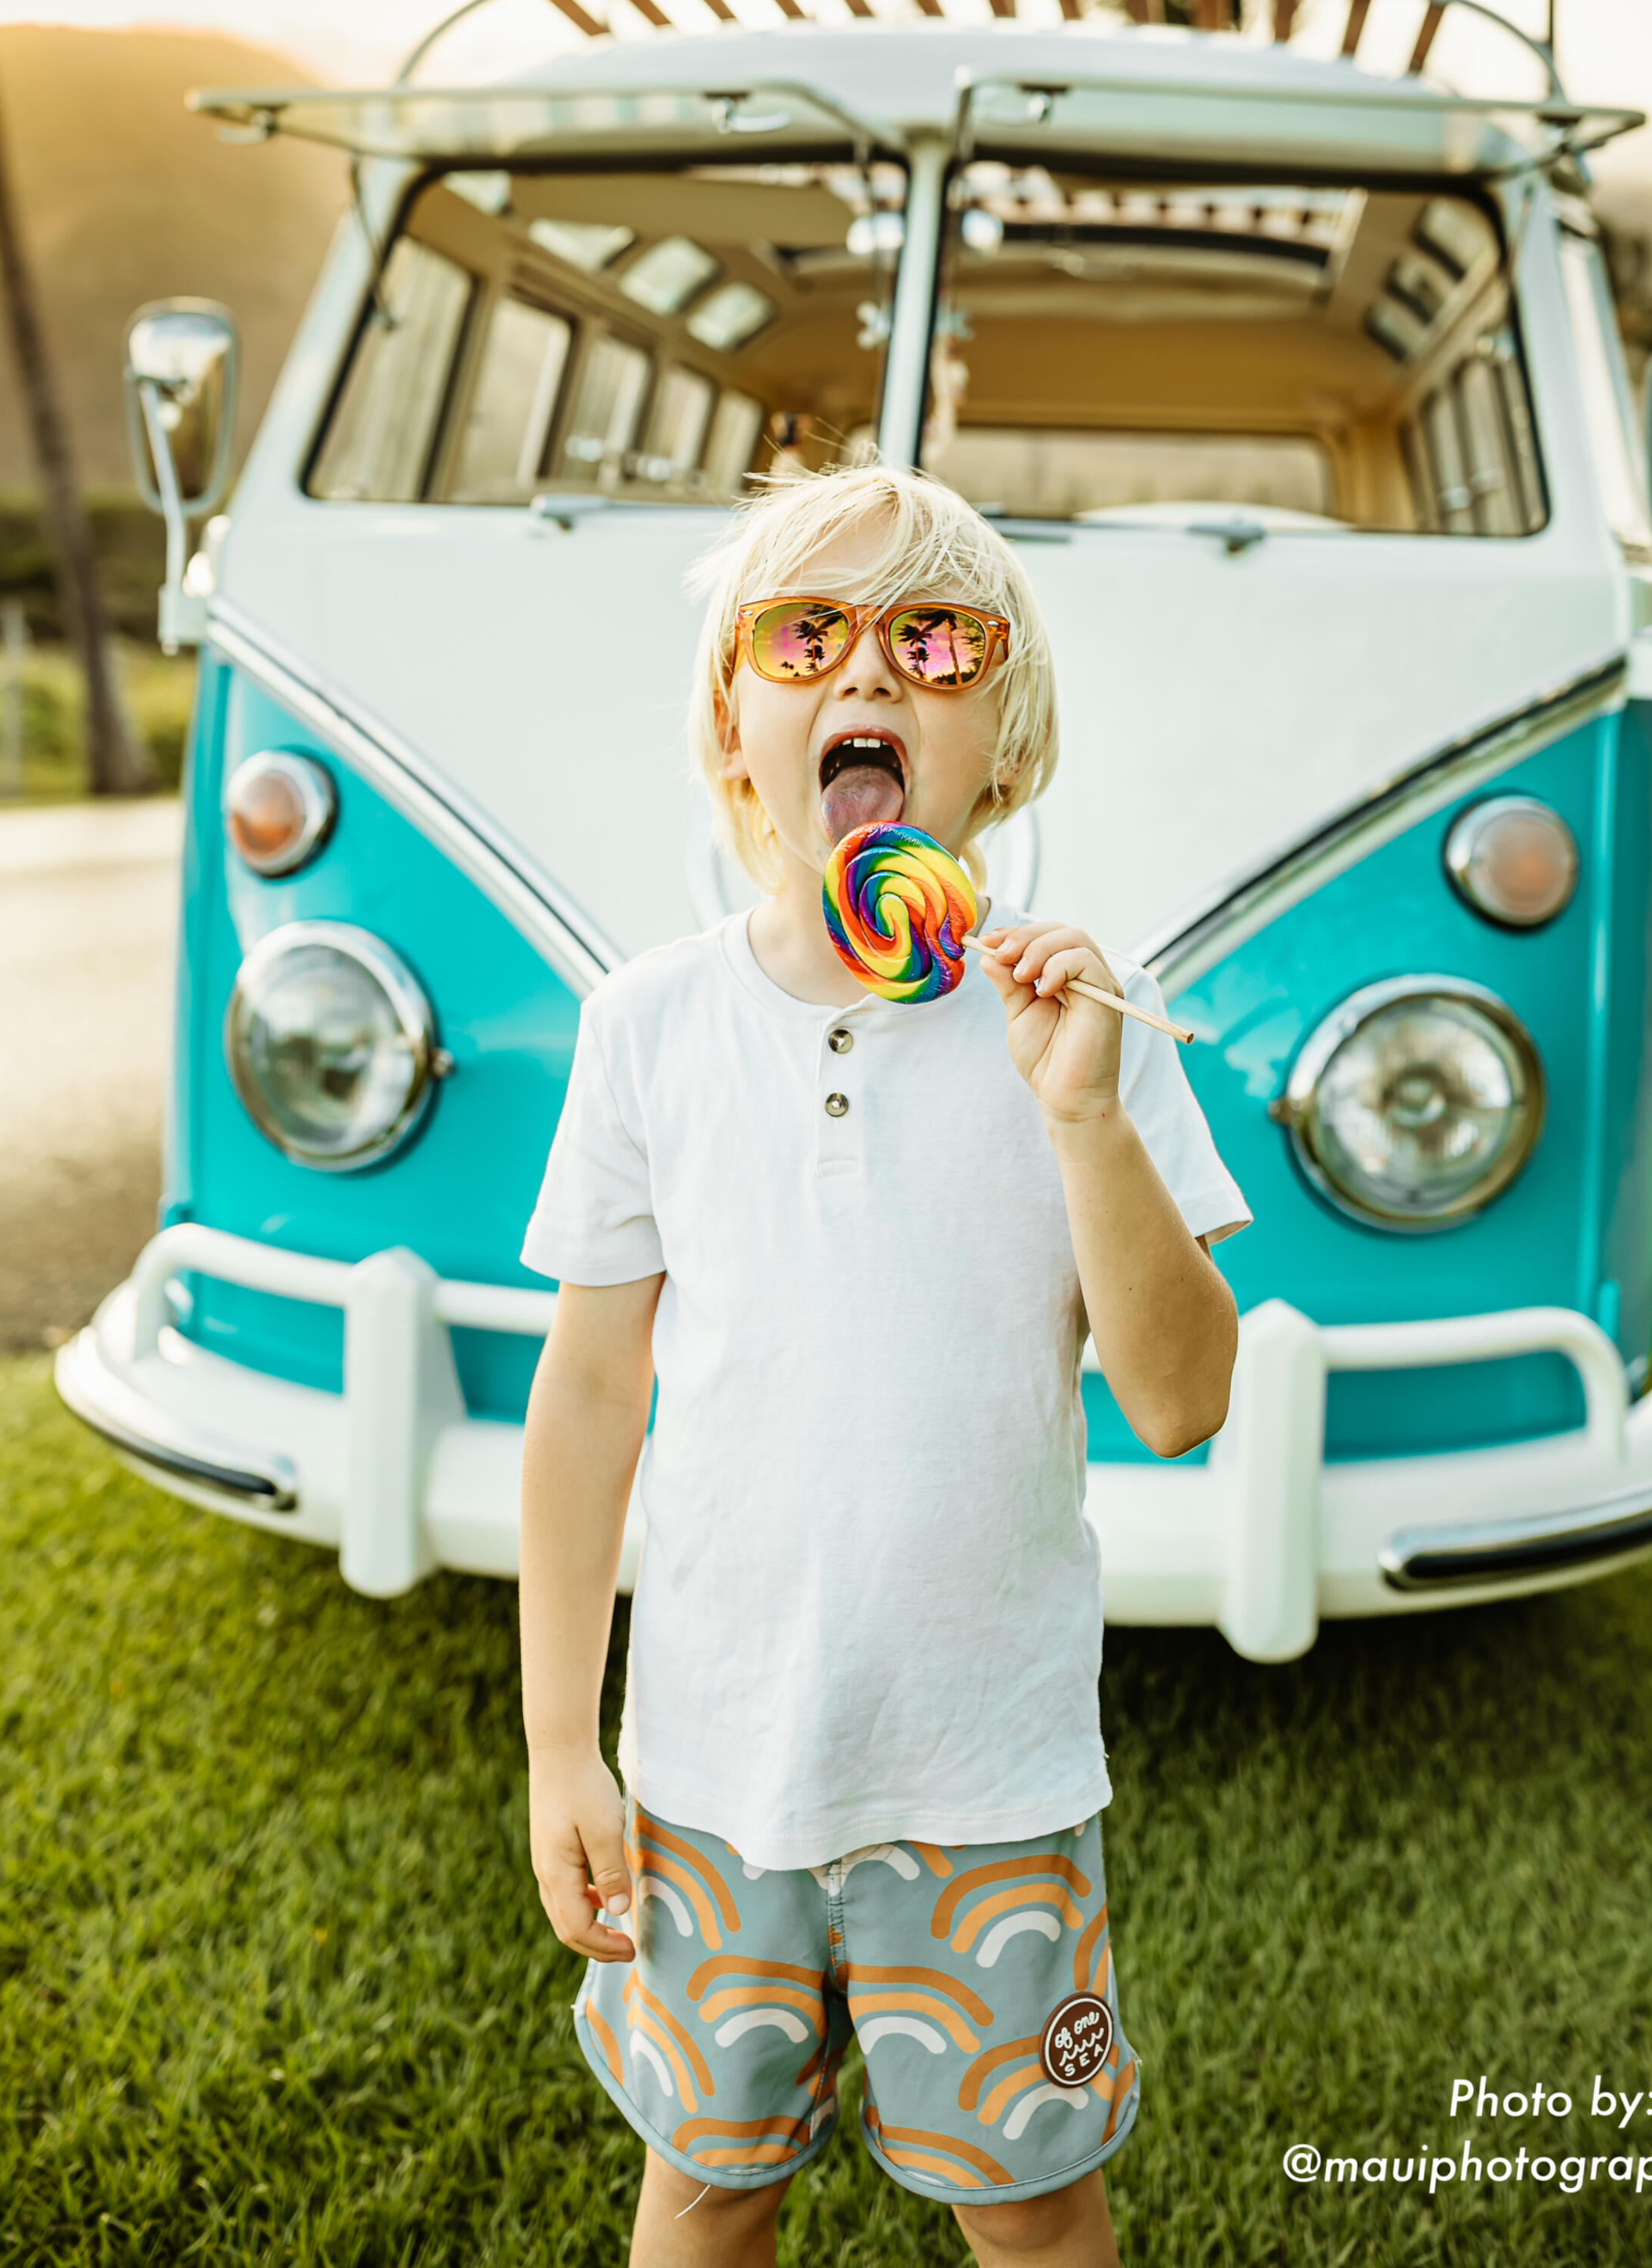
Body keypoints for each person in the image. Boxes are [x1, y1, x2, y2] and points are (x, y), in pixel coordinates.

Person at [518, 464, 1250, 2268]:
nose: (871, 676)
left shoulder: (1085, 1023)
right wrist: (559, 1739)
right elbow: (592, 1394)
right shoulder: (651, 1027)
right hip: (711, 1768)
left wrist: (1078, 1117)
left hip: (986, 1776)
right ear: (733, 719)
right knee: (704, 2190)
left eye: (934, 642)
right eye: (808, 636)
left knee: (1034, 2211)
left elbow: (1181, 1398)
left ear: (1001, 737)